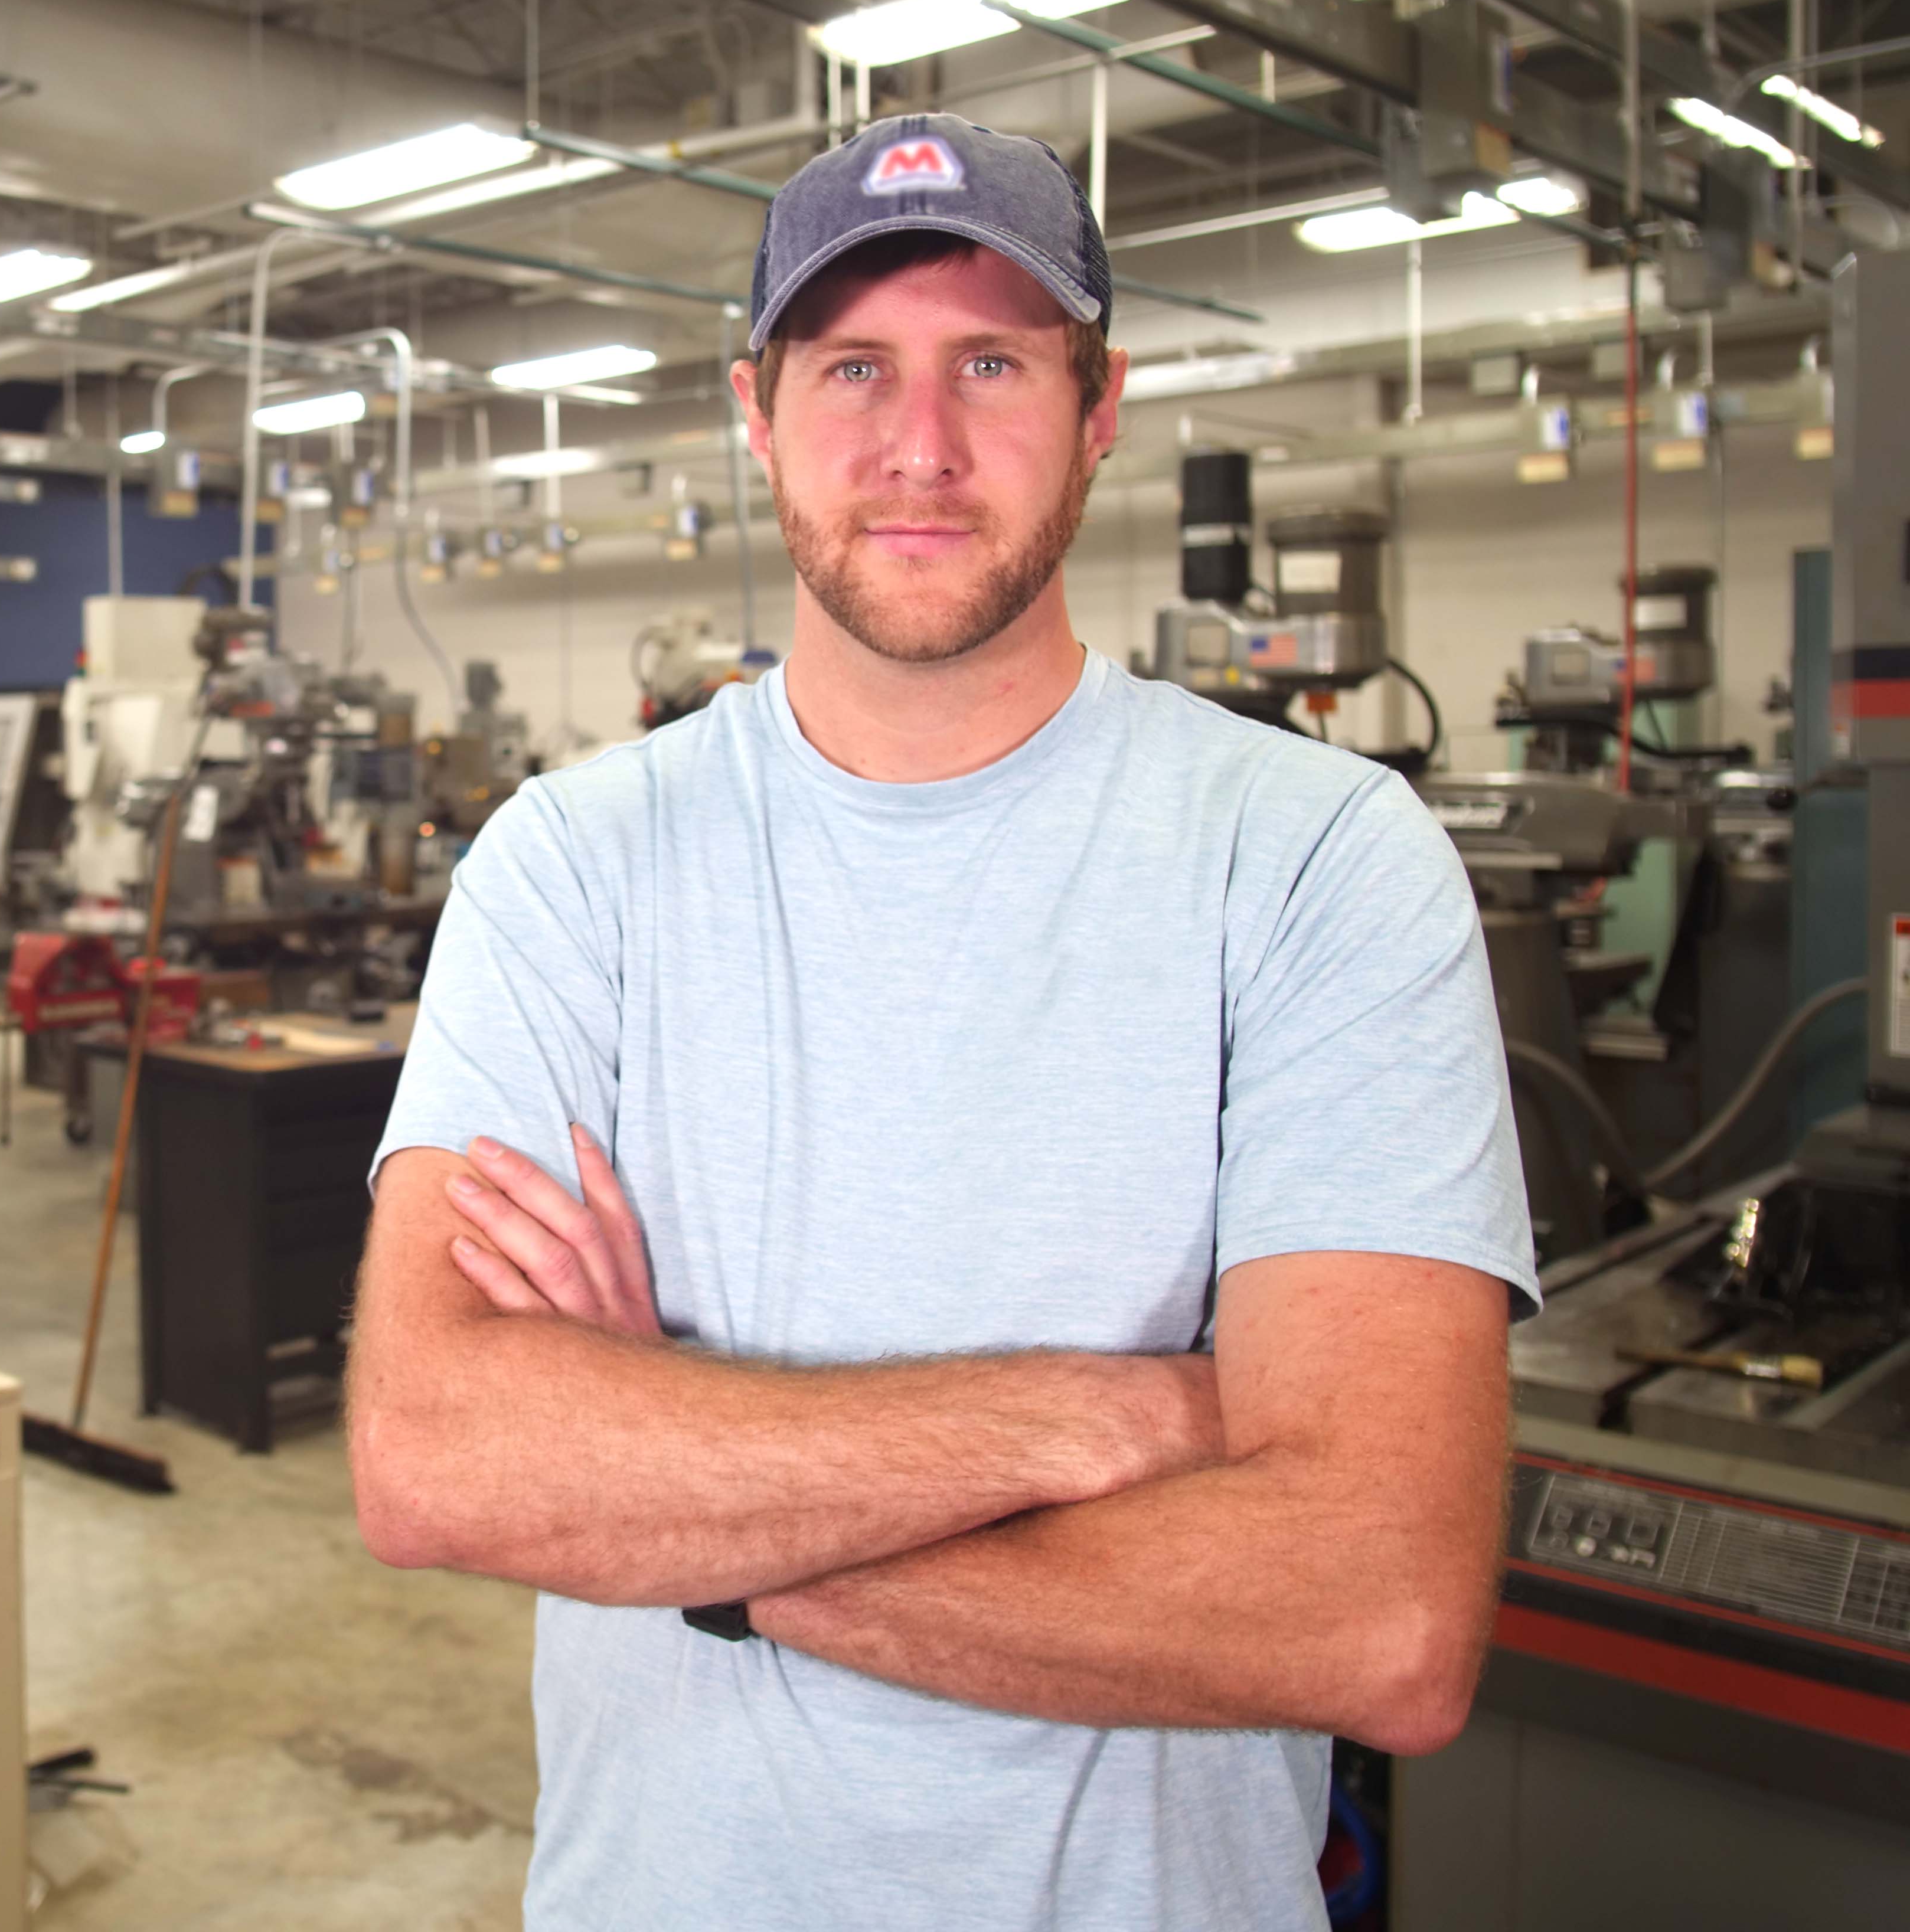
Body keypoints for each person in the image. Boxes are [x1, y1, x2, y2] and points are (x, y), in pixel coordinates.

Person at [345, 112, 1533, 1931]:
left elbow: (1377, 1616)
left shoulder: (1315, 864)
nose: (919, 444)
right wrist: (1112, 1415)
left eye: (991, 359)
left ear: (1101, 398)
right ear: (756, 410)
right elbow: (438, 1458)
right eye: (851, 368)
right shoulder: (576, 867)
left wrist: (698, 1520)